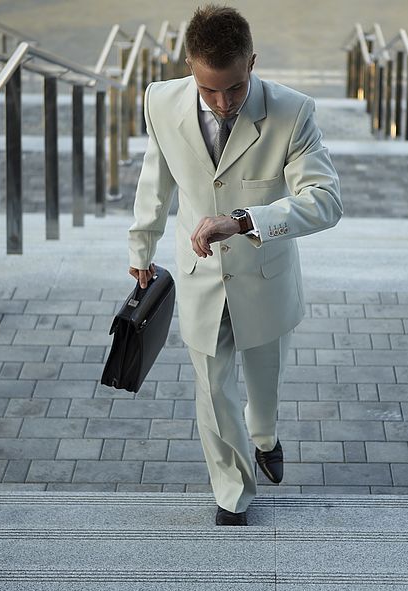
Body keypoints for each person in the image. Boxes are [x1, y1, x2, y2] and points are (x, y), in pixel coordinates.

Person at [127, 4, 342, 526]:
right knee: (212, 386)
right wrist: (141, 248)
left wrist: (245, 220)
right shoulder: (159, 101)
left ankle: (265, 434)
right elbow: (156, 178)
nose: (222, 104)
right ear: (188, 67)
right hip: (200, 275)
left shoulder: (294, 112)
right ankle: (232, 491)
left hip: (265, 278)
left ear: (253, 62)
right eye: (209, 90)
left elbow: (326, 201)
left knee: (262, 385)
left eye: (235, 89)